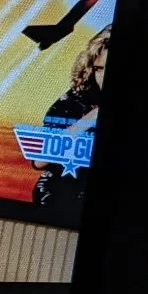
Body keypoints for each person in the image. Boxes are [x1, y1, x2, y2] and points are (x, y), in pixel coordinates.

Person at [32, 26, 109, 222]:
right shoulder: (72, 101)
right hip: (57, 200)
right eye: (99, 69)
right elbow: (40, 160)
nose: (104, 78)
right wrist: (92, 118)